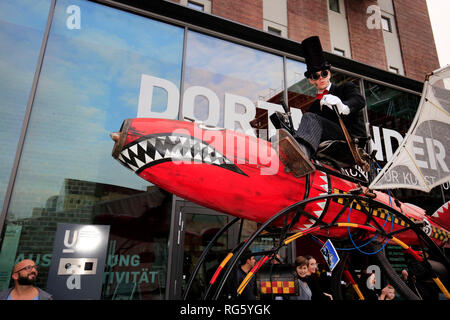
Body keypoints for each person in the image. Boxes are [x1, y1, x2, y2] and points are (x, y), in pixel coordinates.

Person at [293, 36, 368, 172]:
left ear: (329, 74)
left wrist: (343, 106)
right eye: (316, 76)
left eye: (324, 73)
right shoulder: (314, 108)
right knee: (306, 120)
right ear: (311, 80)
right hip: (329, 145)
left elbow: (359, 100)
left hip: (351, 143)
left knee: (310, 117)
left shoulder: (345, 88)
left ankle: (301, 155)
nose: (321, 78)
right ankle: (298, 153)